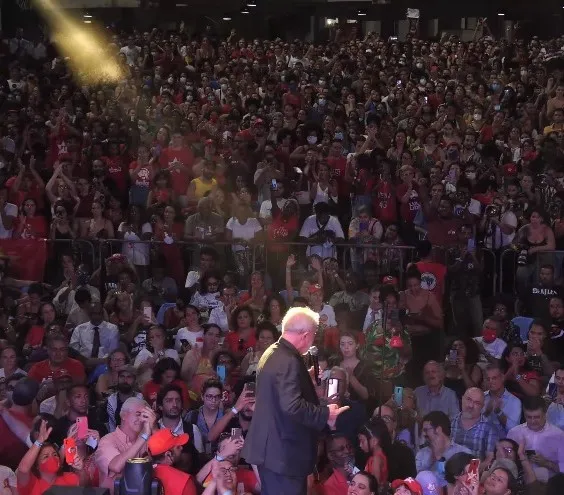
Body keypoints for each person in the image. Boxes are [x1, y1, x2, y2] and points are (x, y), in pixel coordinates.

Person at [242, 306, 349, 494]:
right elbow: (291, 405)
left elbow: (278, 396)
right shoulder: (288, 360)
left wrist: (304, 380)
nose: (312, 340)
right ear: (306, 334)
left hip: (274, 452)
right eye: (314, 335)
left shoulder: (273, 353)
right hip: (283, 455)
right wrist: (326, 414)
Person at [95, 397, 156, 493]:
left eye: (144, 416)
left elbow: (163, 459)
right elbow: (116, 466)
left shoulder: (146, 438)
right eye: (138, 414)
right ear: (123, 415)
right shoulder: (108, 440)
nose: (141, 419)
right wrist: (143, 436)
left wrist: (153, 427)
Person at [16, 419, 82, 495]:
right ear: (37, 465)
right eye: (45, 456)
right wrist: (39, 441)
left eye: (54, 455)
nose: (52, 458)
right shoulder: (31, 483)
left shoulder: (69, 478)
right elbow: (23, 469)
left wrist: (80, 470)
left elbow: (86, 485)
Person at [507, 396, 564, 482]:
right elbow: (505, 462)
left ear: (545, 414)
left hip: (549, 486)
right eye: (529, 417)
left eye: (537, 417)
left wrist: (547, 463)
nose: (533, 421)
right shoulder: (514, 433)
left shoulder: (558, 435)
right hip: (520, 484)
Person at [416, 411, 471, 489]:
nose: (424, 434)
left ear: (438, 430)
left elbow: (469, 483)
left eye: (426, 430)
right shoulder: (421, 454)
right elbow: (418, 482)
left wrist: (440, 458)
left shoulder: (464, 453)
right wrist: (432, 459)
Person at [450, 387, 499, 463]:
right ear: (462, 399)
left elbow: (490, 458)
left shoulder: (489, 428)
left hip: (474, 471)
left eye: (477, 403)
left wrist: (474, 473)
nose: (471, 405)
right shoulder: (450, 421)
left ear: (482, 406)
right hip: (448, 469)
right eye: (469, 399)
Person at [147, 426, 198, 495]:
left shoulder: (138, 476)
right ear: (168, 455)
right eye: (178, 447)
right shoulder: (185, 482)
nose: (181, 448)